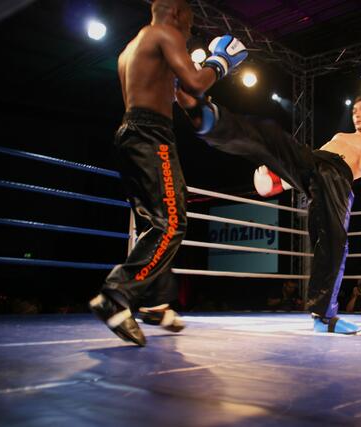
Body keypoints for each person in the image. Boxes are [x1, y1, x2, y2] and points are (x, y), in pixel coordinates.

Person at [89, 0, 247, 346]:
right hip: (152, 135)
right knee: (172, 223)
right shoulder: (166, 33)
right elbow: (195, 83)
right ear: (177, 12)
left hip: (129, 134)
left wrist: (198, 85)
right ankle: (116, 294)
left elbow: (181, 94)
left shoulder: (131, 49)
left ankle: (154, 302)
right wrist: (220, 63)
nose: (190, 31)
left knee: (153, 224)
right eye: (190, 22)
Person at [177, 93, 361, 333]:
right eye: (354, 110)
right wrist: (281, 181)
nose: (356, 114)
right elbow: (312, 168)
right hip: (315, 164)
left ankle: (324, 317)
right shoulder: (341, 136)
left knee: (333, 244)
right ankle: (214, 123)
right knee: (272, 136)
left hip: (337, 180)